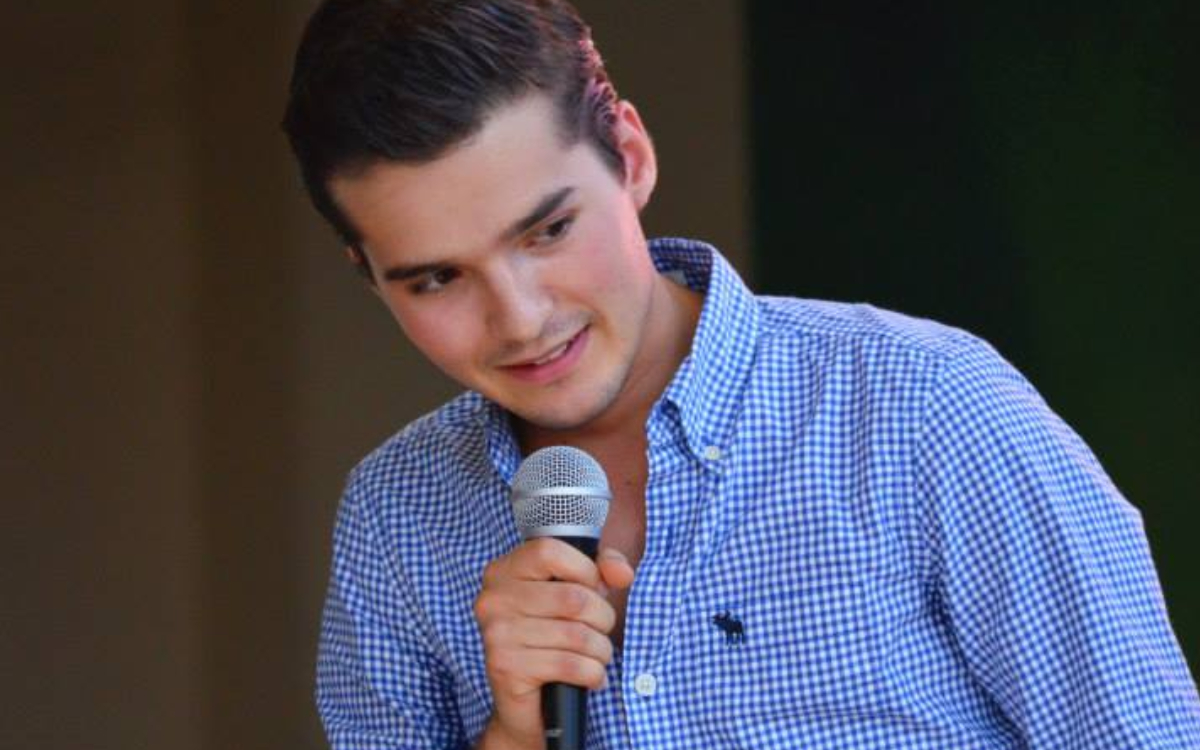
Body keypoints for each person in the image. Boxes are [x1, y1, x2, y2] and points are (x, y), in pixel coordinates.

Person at [282, 1, 1200, 747]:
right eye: (437, 279)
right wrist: (516, 736)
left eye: (548, 231)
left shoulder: (924, 406)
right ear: (369, 274)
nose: (520, 318)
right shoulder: (396, 515)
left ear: (631, 158)